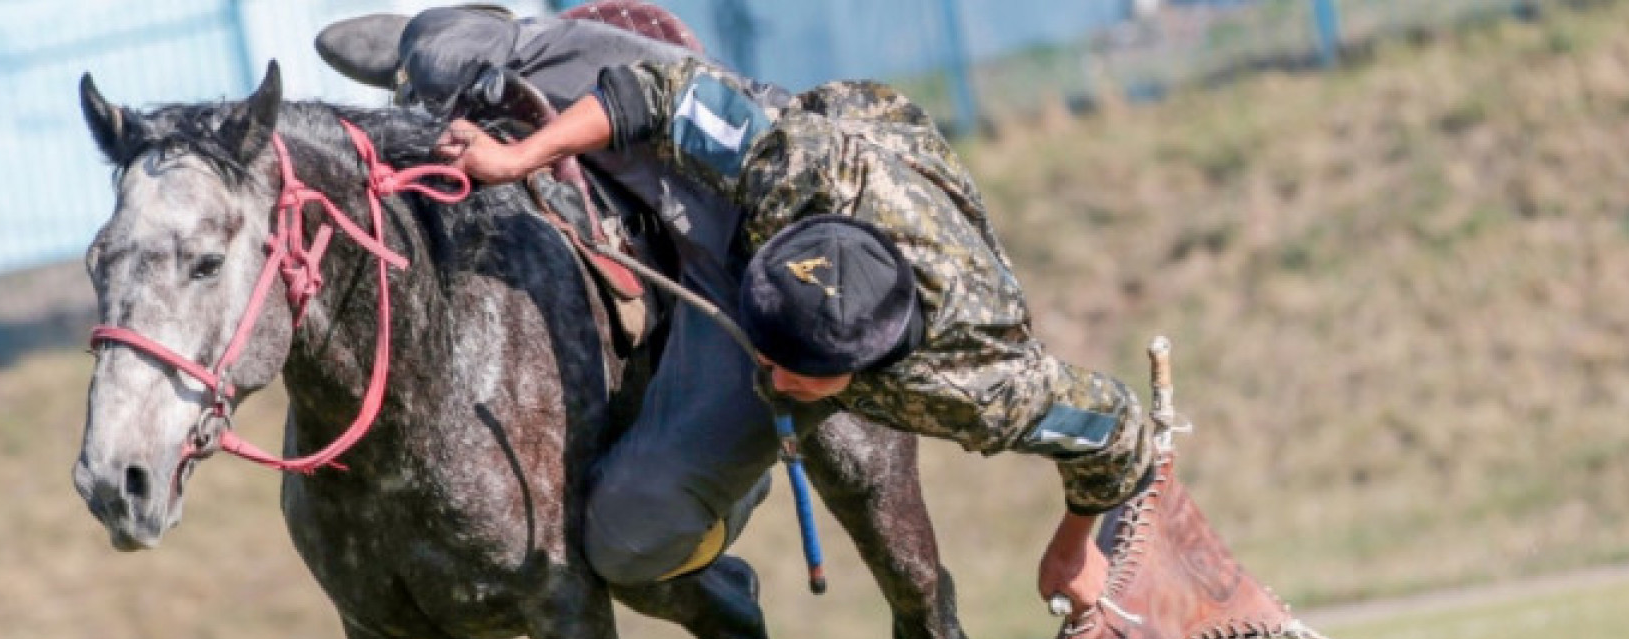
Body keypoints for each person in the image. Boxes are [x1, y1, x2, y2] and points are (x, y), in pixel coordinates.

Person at [437, 53, 1152, 609]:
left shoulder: (980, 384)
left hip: (896, 246)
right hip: (811, 147)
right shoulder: (801, 171)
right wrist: (514, 158)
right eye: (768, 353)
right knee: (539, 67)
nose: (770, 375)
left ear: (862, 370)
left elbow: (1119, 429)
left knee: (628, 538)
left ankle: (733, 489)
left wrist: (1073, 545)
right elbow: (658, 93)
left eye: (795, 374)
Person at [319, 6, 784, 584]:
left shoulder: (782, 167)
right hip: (733, 165)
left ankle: (733, 488)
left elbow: (632, 100)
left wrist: (512, 155)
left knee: (631, 534)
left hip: (748, 222)